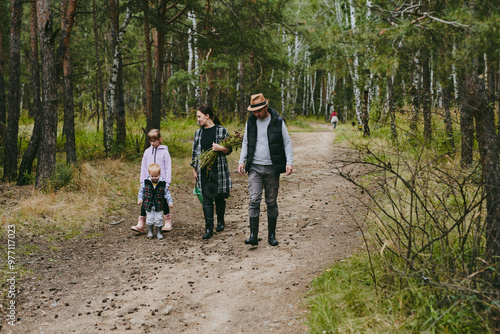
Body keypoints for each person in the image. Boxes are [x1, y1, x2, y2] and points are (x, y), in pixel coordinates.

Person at [238, 93, 293, 246]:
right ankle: (253, 236)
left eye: (259, 111)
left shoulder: (278, 122)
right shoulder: (250, 122)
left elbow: (287, 142)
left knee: (271, 202)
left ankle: (271, 236)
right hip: (254, 167)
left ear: (266, 107)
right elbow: (246, 142)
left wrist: (289, 162)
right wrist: (241, 161)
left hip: (272, 168)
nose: (256, 114)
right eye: (253, 111)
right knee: (254, 200)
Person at [191, 105, 233, 239]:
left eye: (199, 116)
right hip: (204, 171)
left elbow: (229, 149)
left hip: (218, 170)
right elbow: (194, 153)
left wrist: (220, 148)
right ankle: (209, 228)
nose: (198, 119)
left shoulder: (221, 131)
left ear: (207, 116)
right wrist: (194, 169)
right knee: (207, 199)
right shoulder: (199, 133)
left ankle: (220, 221)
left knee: (219, 197)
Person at [131, 129, 173, 234]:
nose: (152, 143)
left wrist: (167, 183)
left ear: (160, 139)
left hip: (161, 181)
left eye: (154, 141)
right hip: (149, 181)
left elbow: (168, 168)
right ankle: (141, 222)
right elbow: (144, 168)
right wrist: (142, 181)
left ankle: (167, 221)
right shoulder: (147, 152)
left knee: (163, 199)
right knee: (146, 199)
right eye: (151, 141)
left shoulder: (164, 152)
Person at [137, 163, 174, 240]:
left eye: (156, 176)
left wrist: (170, 201)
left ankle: (158, 232)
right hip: (149, 204)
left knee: (158, 219)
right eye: (152, 176)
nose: (154, 178)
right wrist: (140, 198)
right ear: (149, 174)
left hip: (159, 204)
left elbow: (167, 193)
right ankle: (150, 232)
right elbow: (141, 191)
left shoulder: (162, 183)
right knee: (150, 219)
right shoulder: (146, 182)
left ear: (159, 174)